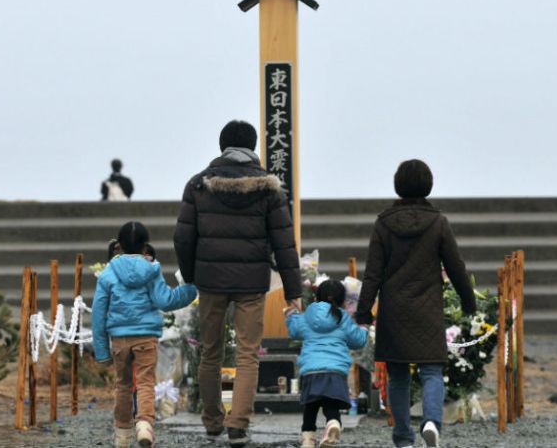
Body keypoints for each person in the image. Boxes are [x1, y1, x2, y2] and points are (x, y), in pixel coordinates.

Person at [173, 120, 302, 447]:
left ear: (222, 146)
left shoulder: (198, 184)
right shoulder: (270, 189)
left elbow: (183, 237)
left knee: (210, 353)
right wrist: (294, 292)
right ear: (254, 146)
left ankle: (213, 421)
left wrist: (191, 277)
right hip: (251, 282)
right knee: (248, 354)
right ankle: (239, 424)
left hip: (211, 281)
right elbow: (285, 244)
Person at [354, 159, 477, 448]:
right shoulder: (438, 222)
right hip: (428, 308)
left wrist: (363, 312)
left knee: (398, 377)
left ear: (398, 185)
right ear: (428, 185)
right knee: (432, 371)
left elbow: (373, 273)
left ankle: (402, 439)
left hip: (394, 310)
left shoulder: (383, 223)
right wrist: (469, 303)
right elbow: (456, 267)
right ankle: (432, 422)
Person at [92, 221, 197, 448]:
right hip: (146, 336)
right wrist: (190, 289)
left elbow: (99, 313)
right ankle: (144, 424)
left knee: (123, 385)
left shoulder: (107, 274)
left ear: (118, 245)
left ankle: (122, 434)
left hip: (119, 339)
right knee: (146, 382)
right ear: (145, 246)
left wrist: (101, 350)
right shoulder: (151, 270)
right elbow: (165, 300)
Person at [285, 280, 368, 448]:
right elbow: (358, 340)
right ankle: (333, 423)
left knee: (311, 406)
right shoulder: (343, 318)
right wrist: (364, 327)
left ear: (316, 297)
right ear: (343, 300)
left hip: (310, 370)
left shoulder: (308, 316)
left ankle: (308, 440)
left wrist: (291, 313)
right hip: (334, 371)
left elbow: (294, 330)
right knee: (331, 404)